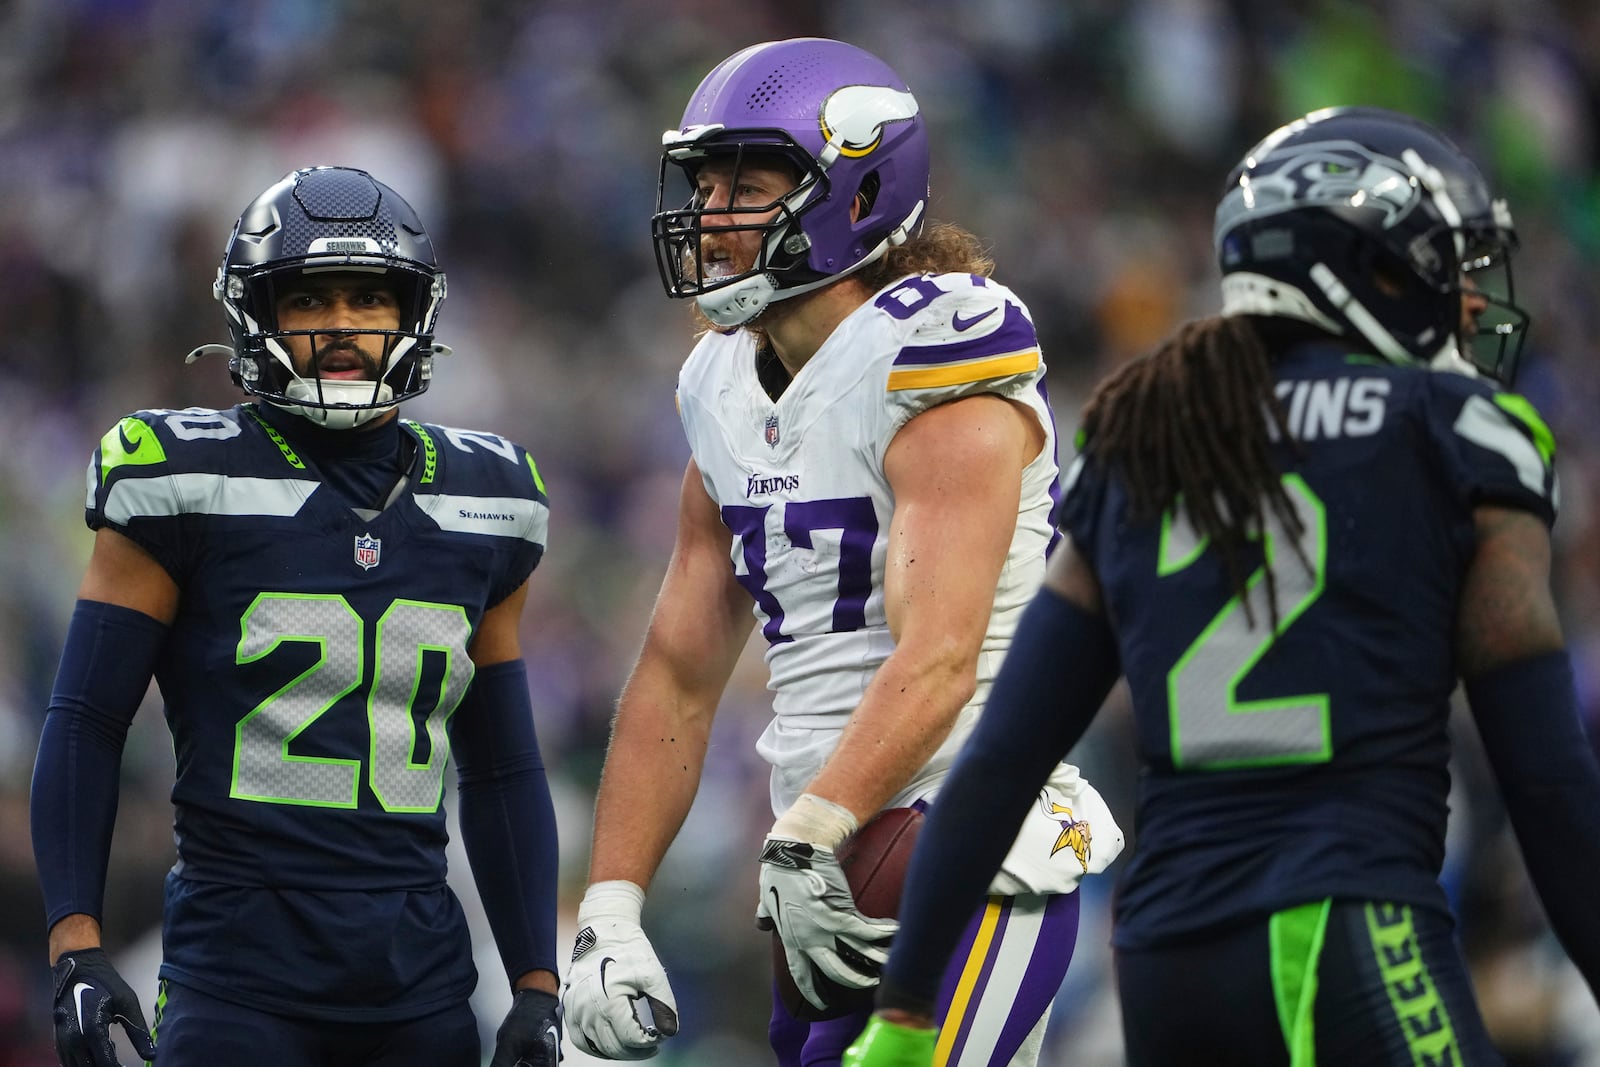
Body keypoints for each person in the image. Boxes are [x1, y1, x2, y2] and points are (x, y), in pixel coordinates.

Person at [845, 106, 1600, 1066]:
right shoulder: (1458, 429)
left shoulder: (1144, 434)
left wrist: (908, 1007)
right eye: (1439, 267)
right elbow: (1545, 773)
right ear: (1369, 269)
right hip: (1341, 927)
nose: (1463, 302)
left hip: (1165, 966)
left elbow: (1002, 757)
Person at [560, 37, 1121, 1067]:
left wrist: (812, 827)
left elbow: (941, 652)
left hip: (970, 849)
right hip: (821, 870)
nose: (713, 211)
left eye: (749, 181)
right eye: (705, 181)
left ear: (853, 191)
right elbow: (680, 672)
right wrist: (611, 902)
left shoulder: (940, 343)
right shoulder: (719, 382)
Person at [30, 165, 562, 1067]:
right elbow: (86, 722)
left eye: (368, 297)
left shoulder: (489, 498)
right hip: (239, 979)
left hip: (421, 984)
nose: (345, 326)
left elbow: (504, 766)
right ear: (257, 314)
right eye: (310, 298)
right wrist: (74, 944)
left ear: (413, 313)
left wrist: (535, 983)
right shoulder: (179, 477)